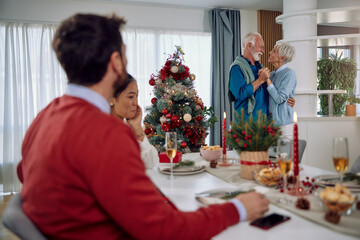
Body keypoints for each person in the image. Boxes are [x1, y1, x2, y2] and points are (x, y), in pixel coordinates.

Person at [16, 13, 270, 239]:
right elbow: (164, 230)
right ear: (116, 61)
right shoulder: (107, 132)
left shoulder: (45, 115)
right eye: (125, 53)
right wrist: (237, 208)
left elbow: (23, 173)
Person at [228, 32, 294, 120]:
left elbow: (273, 94)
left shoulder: (261, 68)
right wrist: (260, 80)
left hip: (264, 124)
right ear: (249, 46)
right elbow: (240, 94)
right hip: (246, 124)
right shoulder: (237, 68)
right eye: (261, 47)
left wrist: (287, 101)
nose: (263, 51)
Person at [110, 74, 158, 169]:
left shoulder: (127, 126)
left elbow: (150, 162)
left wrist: (138, 129)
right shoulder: (101, 128)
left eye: (137, 96)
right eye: (131, 97)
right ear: (112, 99)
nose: (136, 103)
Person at [265, 41, 297, 139]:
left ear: (282, 58)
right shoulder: (273, 74)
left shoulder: (290, 74)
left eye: (274, 51)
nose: (270, 52)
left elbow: (279, 99)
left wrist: (267, 80)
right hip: (271, 125)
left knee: (284, 154)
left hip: (284, 125)